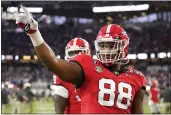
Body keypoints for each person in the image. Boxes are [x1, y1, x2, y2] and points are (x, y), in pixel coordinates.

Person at [16, 5, 146, 113]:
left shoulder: (137, 78)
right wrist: (34, 34)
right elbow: (52, 63)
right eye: (103, 45)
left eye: (111, 45)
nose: (106, 50)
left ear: (123, 46)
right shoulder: (87, 65)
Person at [52, 37, 90, 113]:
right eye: (72, 53)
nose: (76, 57)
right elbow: (59, 109)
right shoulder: (63, 74)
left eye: (79, 52)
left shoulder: (96, 70)